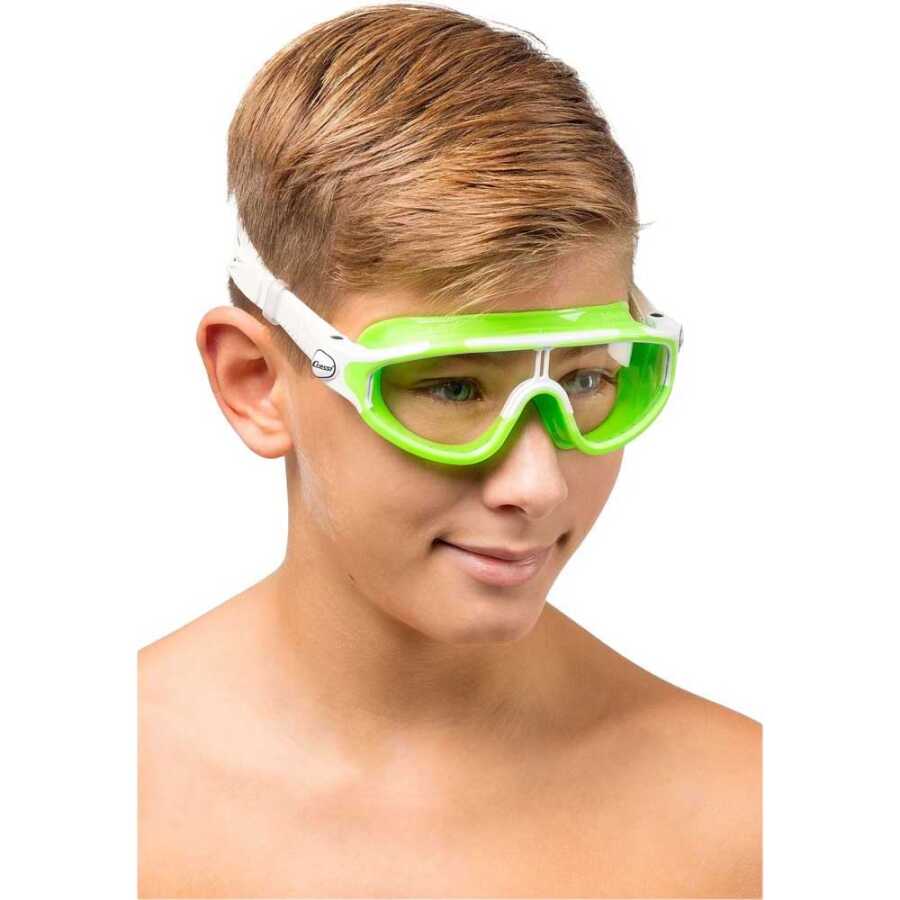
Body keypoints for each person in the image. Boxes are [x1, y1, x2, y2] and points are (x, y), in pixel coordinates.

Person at [138, 4, 761, 897]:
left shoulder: (746, 820)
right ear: (257, 381)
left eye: (587, 379)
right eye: (454, 389)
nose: (538, 486)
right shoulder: (102, 794)